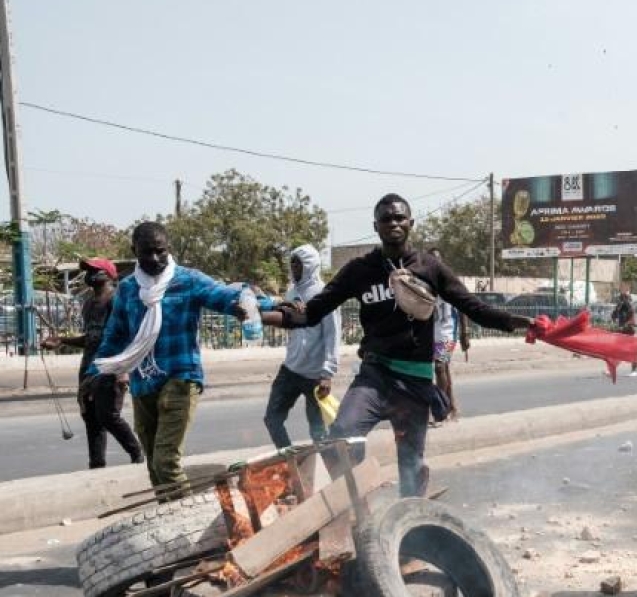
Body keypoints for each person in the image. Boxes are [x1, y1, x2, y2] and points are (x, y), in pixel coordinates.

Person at [263, 194, 533, 497]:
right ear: (376, 227)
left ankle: (412, 526)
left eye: (399, 218)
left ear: (411, 223)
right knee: (340, 439)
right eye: (386, 219)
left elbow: (474, 307)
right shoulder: (359, 270)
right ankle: (358, 506)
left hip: (416, 382)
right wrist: (263, 315)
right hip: (375, 377)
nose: (393, 223)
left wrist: (518, 322)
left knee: (411, 466)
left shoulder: (430, 268)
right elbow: (312, 312)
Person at [90, 222, 250, 492]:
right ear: (134, 251)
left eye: (160, 252)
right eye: (146, 252)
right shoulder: (128, 289)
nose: (154, 259)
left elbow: (224, 295)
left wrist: (257, 304)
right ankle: (167, 518)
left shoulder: (188, 280)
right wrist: (95, 372)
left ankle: (184, 522)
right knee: (153, 464)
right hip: (143, 383)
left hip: (181, 376)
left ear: (169, 249)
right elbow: (115, 336)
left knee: (166, 461)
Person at [41, 257, 144, 469]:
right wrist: (61, 340)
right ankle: (96, 465)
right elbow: (91, 338)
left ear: (107, 275)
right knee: (91, 418)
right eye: (88, 271)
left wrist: (123, 369)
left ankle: (136, 453)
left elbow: (127, 336)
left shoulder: (116, 301)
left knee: (108, 415)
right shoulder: (89, 303)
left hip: (111, 367)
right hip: (88, 367)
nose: (89, 275)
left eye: (93, 271)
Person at [262, 245, 341, 449]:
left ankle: (336, 474)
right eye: (292, 262)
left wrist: (327, 373)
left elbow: (333, 335)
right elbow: (286, 320)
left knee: (318, 432)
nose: (294, 267)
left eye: (299, 263)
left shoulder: (325, 294)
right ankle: (292, 464)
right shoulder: (292, 292)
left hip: (315, 376)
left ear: (310, 265)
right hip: (290, 369)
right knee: (272, 419)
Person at [427, 247, 469, 422]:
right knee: (443, 370)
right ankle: (452, 406)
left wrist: (465, 333)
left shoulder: (450, 282)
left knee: (439, 366)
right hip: (429, 334)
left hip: (447, 333)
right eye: (431, 259)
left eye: (437, 259)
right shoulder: (424, 283)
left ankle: (440, 410)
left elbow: (463, 307)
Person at [610, 285, 637, 377]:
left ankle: (634, 371)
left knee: (633, 351)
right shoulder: (620, 306)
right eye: (621, 297)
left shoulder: (629, 306)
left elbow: (631, 317)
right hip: (621, 331)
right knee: (617, 350)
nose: (622, 299)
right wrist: (614, 320)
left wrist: (625, 325)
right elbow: (614, 315)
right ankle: (612, 369)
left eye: (624, 297)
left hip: (630, 331)